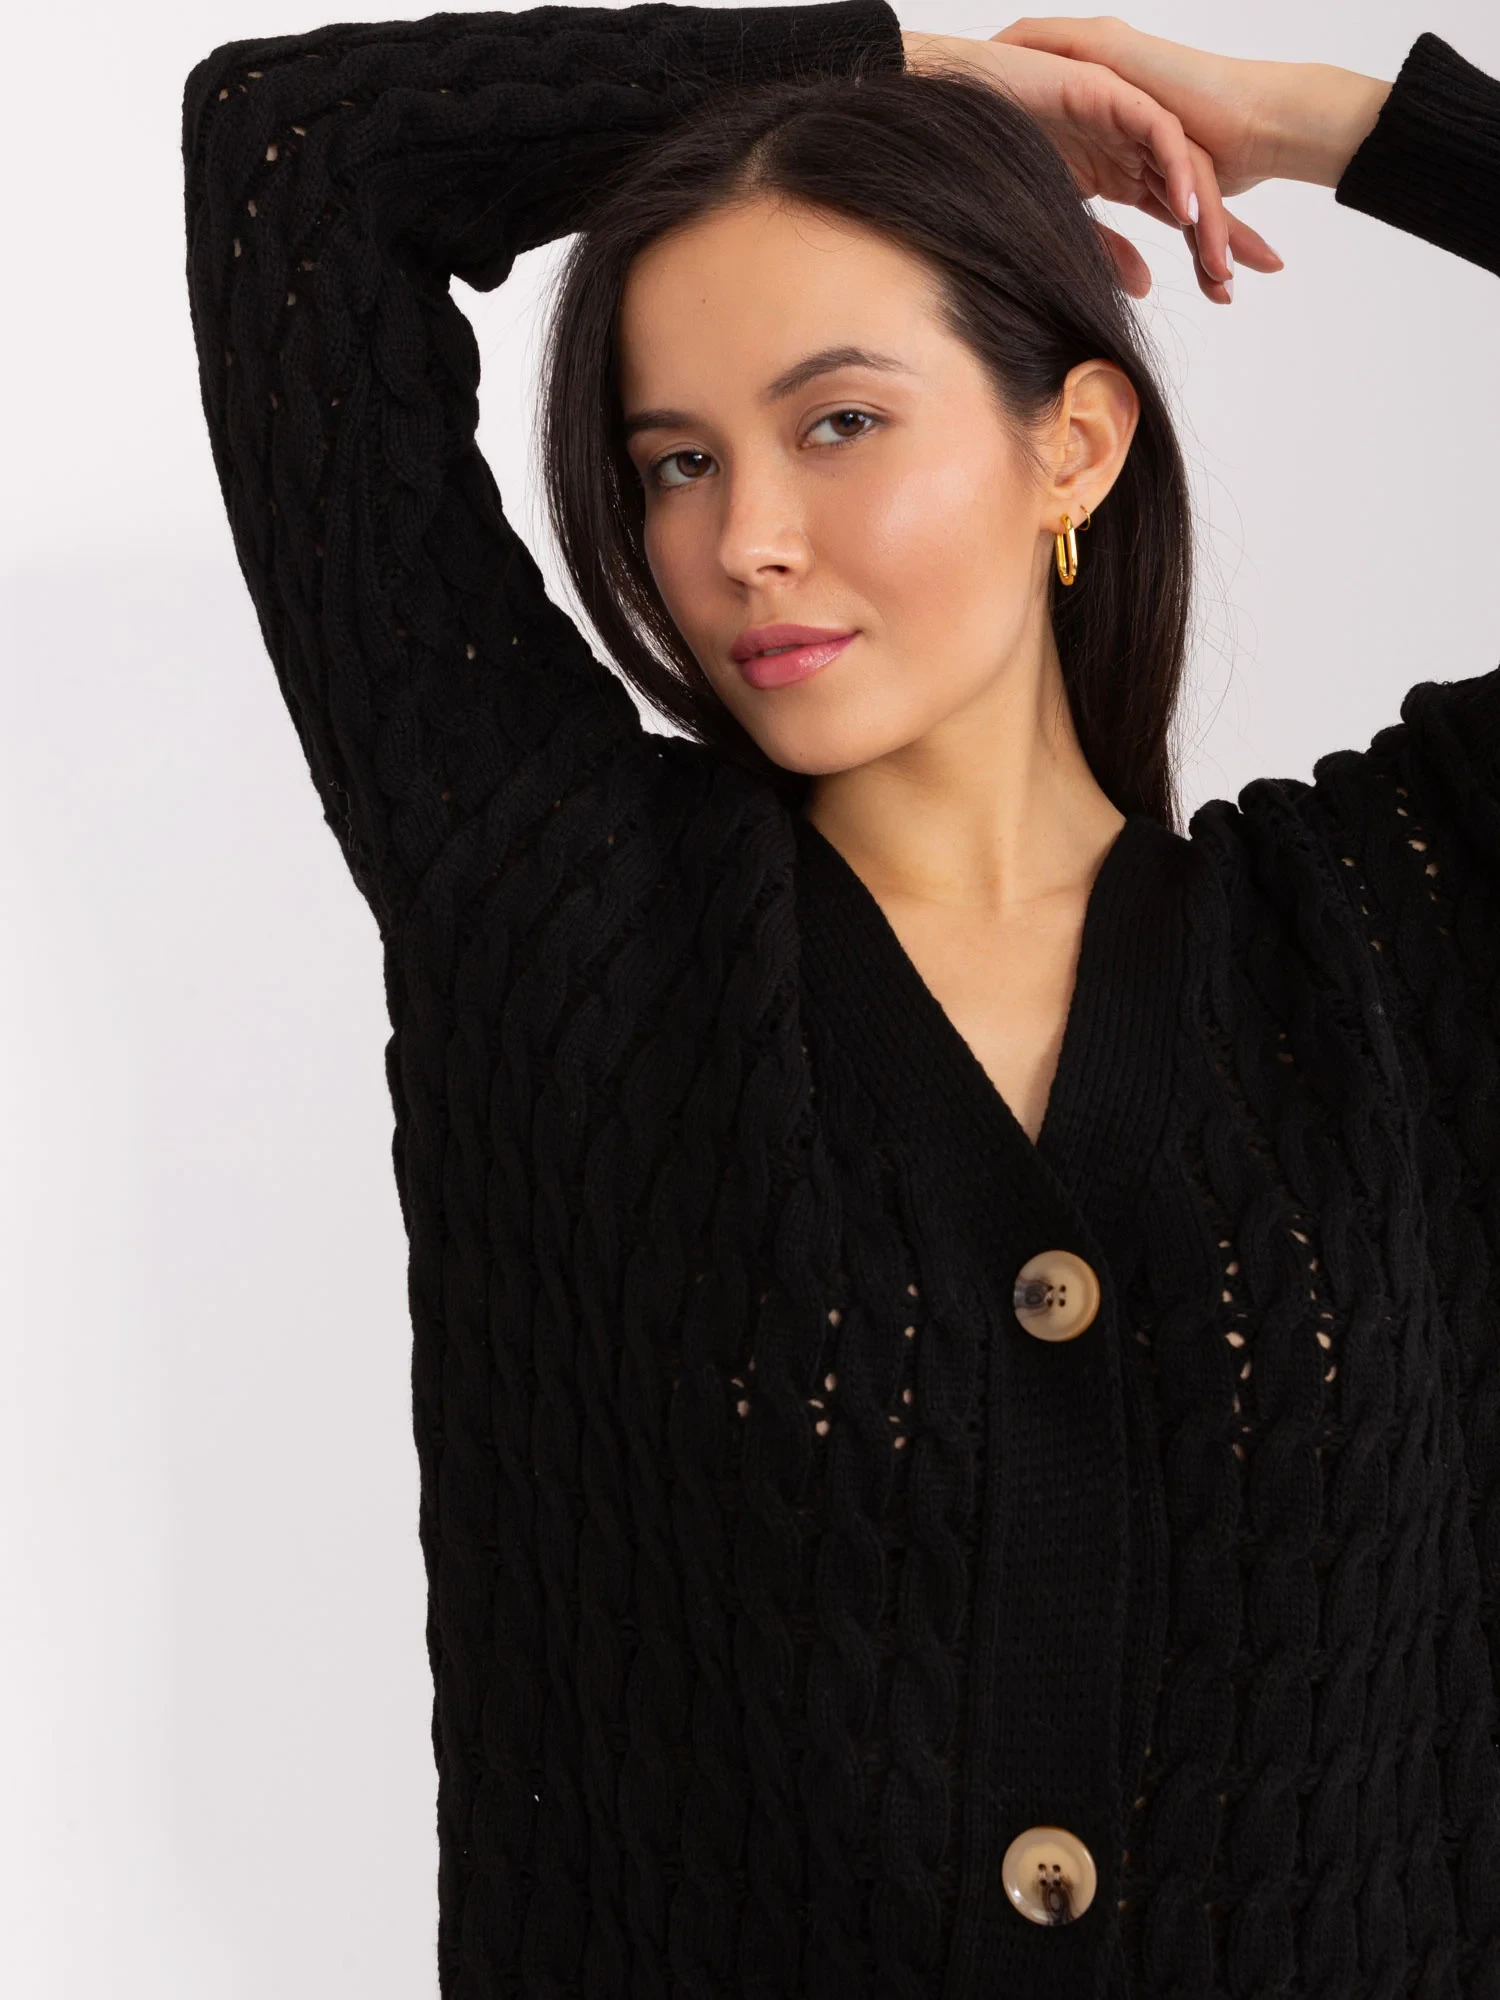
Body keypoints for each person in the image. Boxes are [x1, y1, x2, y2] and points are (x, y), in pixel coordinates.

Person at [180, 5, 1500, 1993]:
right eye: (676, 461)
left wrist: (1317, 122)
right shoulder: (564, 911)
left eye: (839, 424)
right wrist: (887, 66)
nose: (745, 542)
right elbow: (293, 158)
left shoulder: (1397, 935)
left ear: (1073, 442)